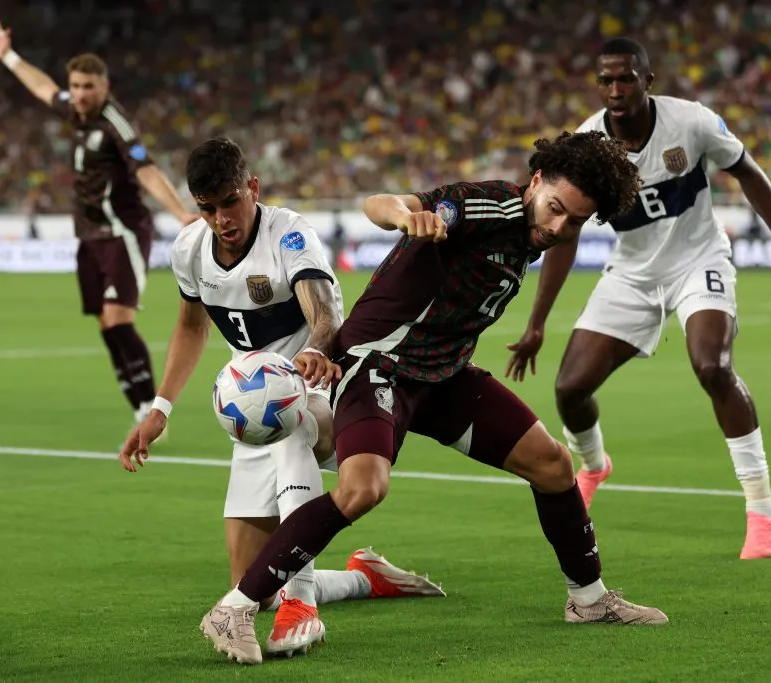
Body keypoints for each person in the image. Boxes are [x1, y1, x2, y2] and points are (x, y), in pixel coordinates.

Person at [203, 130, 667, 666]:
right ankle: (233, 608)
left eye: (576, 221)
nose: (559, 227)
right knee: (363, 488)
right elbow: (379, 203)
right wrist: (406, 216)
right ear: (535, 182)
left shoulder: (536, 231)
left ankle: (588, 600)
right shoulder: (487, 205)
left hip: (442, 375)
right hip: (379, 363)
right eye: (556, 209)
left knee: (553, 465)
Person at [118, 138, 444, 659]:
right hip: (251, 407)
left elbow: (325, 313)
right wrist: (160, 408)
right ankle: (363, 578)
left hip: (325, 390)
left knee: (289, 413)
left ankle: (304, 605)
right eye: (207, 208)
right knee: (256, 585)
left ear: (252, 187)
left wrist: (315, 350)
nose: (221, 218)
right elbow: (190, 326)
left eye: (229, 201)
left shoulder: (288, 233)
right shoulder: (189, 249)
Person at [506, 38, 771, 561]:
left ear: (648, 80)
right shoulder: (587, 144)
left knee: (711, 366)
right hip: (632, 273)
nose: (616, 89)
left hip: (699, 262)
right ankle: (595, 465)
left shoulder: (690, 123)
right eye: (606, 80)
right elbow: (566, 231)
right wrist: (536, 322)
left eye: (626, 78)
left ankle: (761, 509)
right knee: (570, 389)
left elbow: (745, 169)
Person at [0, 22, 197, 430]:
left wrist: (179, 212)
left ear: (104, 86)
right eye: (76, 86)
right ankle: (135, 400)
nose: (80, 94)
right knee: (104, 322)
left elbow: (147, 169)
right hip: (89, 234)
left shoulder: (116, 123)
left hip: (123, 232)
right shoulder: (73, 110)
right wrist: (8, 56)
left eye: (88, 87)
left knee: (118, 318)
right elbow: (42, 86)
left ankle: (152, 409)